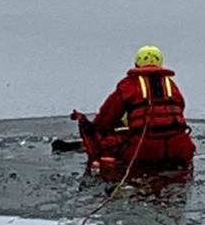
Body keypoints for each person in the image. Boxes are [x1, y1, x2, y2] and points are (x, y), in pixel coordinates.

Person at [72, 46, 196, 177]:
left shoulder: (128, 85)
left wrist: (92, 132)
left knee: (103, 145)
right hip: (179, 148)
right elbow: (180, 112)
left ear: (137, 64)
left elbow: (106, 119)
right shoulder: (172, 87)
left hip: (142, 149)